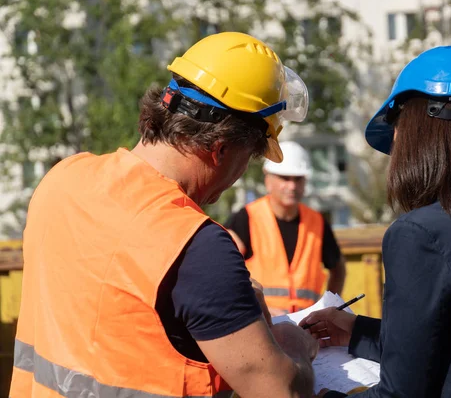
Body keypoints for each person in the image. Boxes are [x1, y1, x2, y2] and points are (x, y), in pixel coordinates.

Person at [10, 32, 319, 398]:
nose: (239, 177)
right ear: (220, 149)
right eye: (249, 158)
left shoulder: (63, 178)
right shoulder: (196, 246)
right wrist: (293, 345)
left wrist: (220, 302)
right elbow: (282, 391)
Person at [299, 45, 451, 398]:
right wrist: (357, 332)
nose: (396, 144)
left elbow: (400, 393)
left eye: (399, 127)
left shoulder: (419, 234)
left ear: (422, 129)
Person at [225, 141, 346, 315]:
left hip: (306, 327)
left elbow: (338, 268)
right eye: (285, 178)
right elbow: (227, 272)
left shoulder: (317, 222)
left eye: (298, 179)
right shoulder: (246, 218)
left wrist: (328, 306)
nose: (292, 186)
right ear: (268, 180)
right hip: (262, 323)